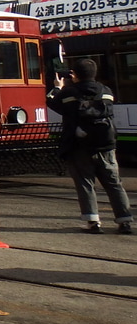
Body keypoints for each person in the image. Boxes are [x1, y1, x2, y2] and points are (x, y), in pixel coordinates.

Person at [46, 58, 133, 234]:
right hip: (106, 145)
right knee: (114, 183)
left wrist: (58, 86)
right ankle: (125, 221)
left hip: (79, 147)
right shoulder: (106, 91)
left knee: (85, 183)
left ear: (74, 75)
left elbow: (51, 101)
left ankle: (92, 222)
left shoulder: (68, 93)